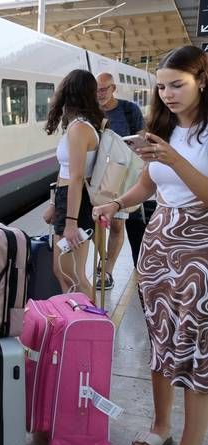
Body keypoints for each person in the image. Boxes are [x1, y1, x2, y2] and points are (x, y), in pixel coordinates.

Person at [93, 45, 208, 445]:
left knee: (197, 347)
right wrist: (116, 204)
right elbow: (147, 183)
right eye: (162, 86)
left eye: (177, 85)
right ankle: (162, 426)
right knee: (161, 338)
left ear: (203, 80)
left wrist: (173, 158)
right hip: (160, 242)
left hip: (200, 250)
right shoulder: (164, 127)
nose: (168, 94)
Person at [42, 69, 101, 296]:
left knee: (72, 274)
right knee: (61, 271)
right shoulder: (78, 125)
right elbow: (64, 172)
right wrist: (54, 204)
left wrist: (71, 222)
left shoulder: (80, 129)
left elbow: (76, 177)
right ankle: (76, 322)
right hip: (67, 200)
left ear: (69, 93)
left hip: (76, 203)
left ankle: (93, 325)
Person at [96, 72, 146, 286]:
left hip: (121, 176)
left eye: (103, 89)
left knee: (116, 225)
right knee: (97, 224)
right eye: (96, 90)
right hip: (96, 176)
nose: (99, 94)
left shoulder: (129, 110)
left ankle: (107, 271)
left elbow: (142, 140)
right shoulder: (90, 110)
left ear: (113, 88)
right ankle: (103, 258)